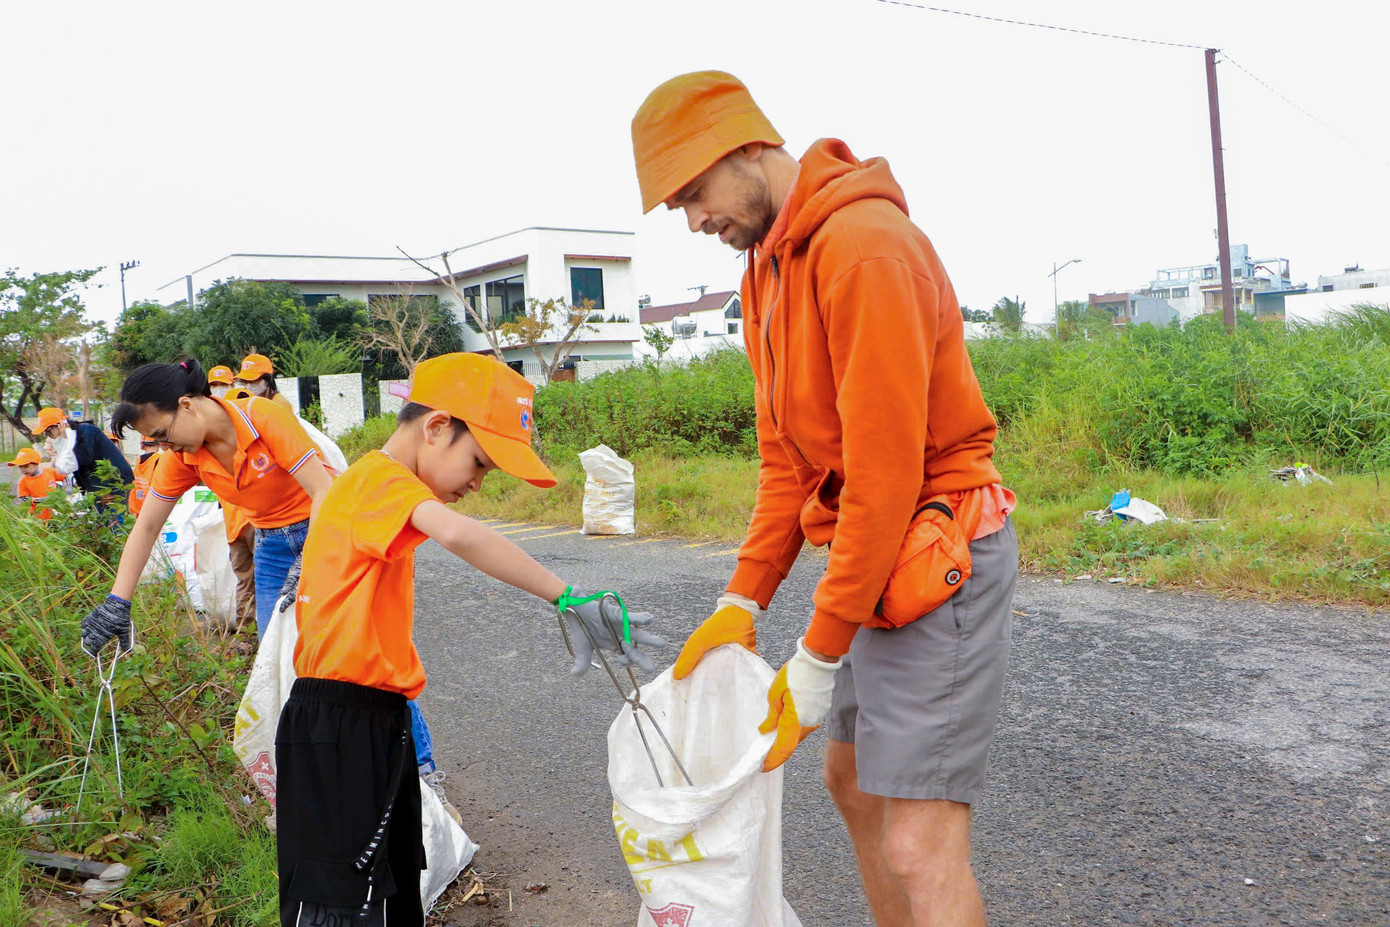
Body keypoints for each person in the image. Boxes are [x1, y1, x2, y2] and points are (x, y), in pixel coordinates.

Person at [633, 72, 1018, 927]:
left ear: (742, 147)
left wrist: (815, 654)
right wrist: (742, 598)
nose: (695, 219)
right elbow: (788, 464)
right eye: (678, 206)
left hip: (934, 549)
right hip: (873, 554)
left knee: (920, 842)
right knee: (849, 782)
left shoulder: (863, 246)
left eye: (694, 192)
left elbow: (884, 479)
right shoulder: (763, 272)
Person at [268, 352, 663, 926]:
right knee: (342, 906)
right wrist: (565, 595)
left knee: (393, 891)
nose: (477, 484)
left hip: (371, 720)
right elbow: (459, 534)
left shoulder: (372, 489)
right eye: (478, 462)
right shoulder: (379, 480)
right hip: (341, 727)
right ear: (435, 428)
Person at [78, 359, 334, 652]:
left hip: (324, 530)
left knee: (332, 643)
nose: (164, 446)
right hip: (271, 546)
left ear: (187, 406)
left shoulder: (263, 417)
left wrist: (309, 559)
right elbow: (147, 527)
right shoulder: (182, 458)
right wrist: (117, 603)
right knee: (275, 650)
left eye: (162, 434)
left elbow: (324, 491)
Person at [36, 406, 134, 509]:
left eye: (48, 431)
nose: (48, 435)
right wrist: (63, 441)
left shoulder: (85, 431)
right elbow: (62, 468)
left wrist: (65, 441)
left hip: (114, 485)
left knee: (117, 521)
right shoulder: (68, 438)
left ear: (59, 425)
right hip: (97, 489)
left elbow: (80, 460)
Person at [8, 447, 63, 520]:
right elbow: (25, 499)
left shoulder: (50, 472)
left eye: (26, 466)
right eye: (20, 467)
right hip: (38, 516)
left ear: (36, 464)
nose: (23, 470)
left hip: (56, 513)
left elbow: (65, 477)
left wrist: (68, 489)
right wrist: (42, 500)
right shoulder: (23, 482)